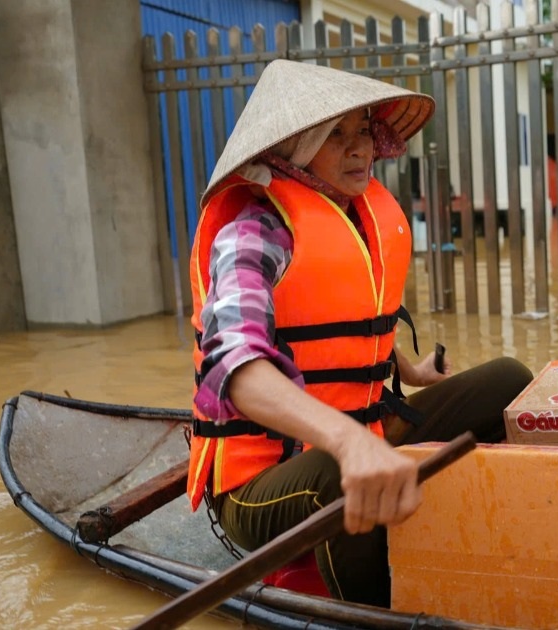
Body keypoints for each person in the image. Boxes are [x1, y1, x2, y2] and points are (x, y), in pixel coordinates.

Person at [184, 59, 533, 606]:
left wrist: (410, 372)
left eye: (364, 129)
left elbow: (344, 318)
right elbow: (233, 367)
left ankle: (471, 537)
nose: (360, 148)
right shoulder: (253, 231)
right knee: (333, 472)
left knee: (509, 380)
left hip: (359, 436)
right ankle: (374, 608)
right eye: (335, 135)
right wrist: (347, 443)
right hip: (259, 485)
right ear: (295, 150)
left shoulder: (356, 212)